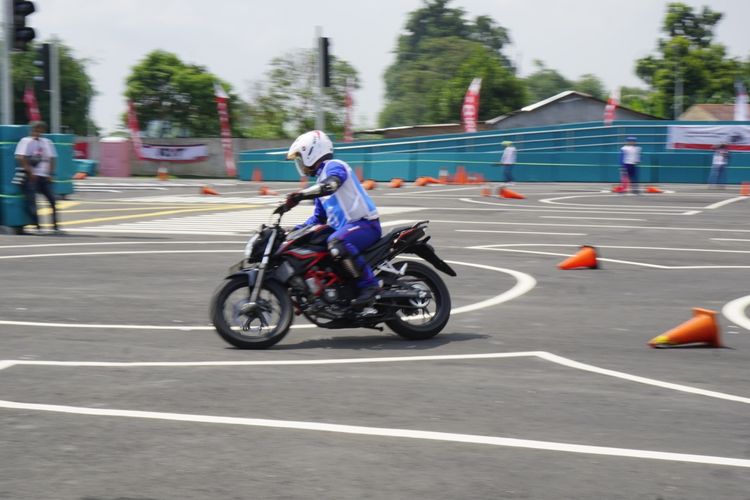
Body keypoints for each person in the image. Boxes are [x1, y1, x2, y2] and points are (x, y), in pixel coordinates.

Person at [282, 130, 382, 307]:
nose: (300, 164)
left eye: (300, 158)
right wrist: (293, 232)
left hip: (365, 224)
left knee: (336, 242)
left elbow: (332, 184)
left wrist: (300, 195)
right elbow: (318, 219)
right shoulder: (319, 183)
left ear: (312, 153)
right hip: (347, 230)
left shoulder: (334, 166)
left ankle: (370, 286)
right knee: (317, 244)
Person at [14, 121, 60, 234]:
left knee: (53, 201)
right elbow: (20, 157)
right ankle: (38, 227)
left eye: (40, 131)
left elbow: (52, 158)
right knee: (32, 202)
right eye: (36, 130)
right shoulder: (26, 141)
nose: (38, 133)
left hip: (44, 176)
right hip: (31, 177)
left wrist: (51, 174)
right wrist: (30, 171)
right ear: (31, 130)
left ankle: (55, 226)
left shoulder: (47, 142)